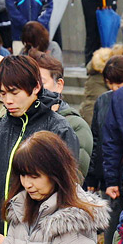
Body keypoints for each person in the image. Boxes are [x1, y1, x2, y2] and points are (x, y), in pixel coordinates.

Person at [0, 55, 79, 244]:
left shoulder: (57, 128)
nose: (8, 100)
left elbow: (65, 194)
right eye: (3, 93)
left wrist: (14, 241)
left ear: (35, 87)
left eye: (14, 92)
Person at [30, 51, 93, 179]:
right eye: (30, 83)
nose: (35, 89)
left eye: (41, 82)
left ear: (59, 85)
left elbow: (74, 178)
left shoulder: (75, 126)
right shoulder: (20, 120)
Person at [86, 55, 123, 191]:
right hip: (105, 174)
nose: (114, 88)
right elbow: (95, 138)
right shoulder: (103, 101)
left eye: (119, 83)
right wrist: (92, 176)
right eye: (110, 83)